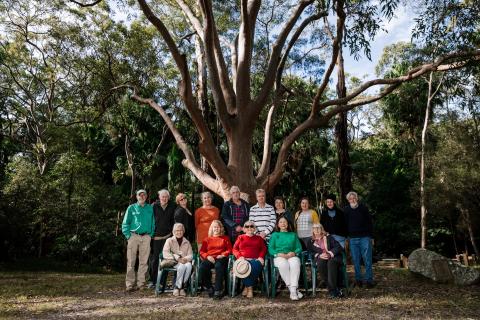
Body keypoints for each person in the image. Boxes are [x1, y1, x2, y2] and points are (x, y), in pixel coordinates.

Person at [121, 189, 155, 292]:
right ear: (137, 197)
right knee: (131, 261)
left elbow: (153, 222)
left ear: (146, 196)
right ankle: (130, 284)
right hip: (133, 236)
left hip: (146, 237)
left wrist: (151, 234)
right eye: (140, 195)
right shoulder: (131, 208)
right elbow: (125, 223)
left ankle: (141, 284)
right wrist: (128, 235)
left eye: (144, 195)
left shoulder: (150, 208)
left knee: (144, 261)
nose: (142, 197)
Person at [343, 191, 375, 288]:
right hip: (352, 239)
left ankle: (369, 280)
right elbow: (345, 224)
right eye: (350, 199)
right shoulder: (346, 210)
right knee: (356, 260)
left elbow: (370, 223)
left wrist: (372, 237)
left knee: (367, 259)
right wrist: (346, 238)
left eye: (354, 198)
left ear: (357, 198)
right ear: (348, 200)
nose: (352, 200)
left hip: (365, 237)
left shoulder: (363, 208)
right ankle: (358, 280)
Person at [268, 217, 303, 300]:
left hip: (291, 255)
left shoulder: (293, 235)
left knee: (295, 263)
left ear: (288, 224)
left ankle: (293, 289)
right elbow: (270, 249)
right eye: (281, 222)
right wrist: (278, 254)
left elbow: (299, 247)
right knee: (283, 264)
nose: (283, 223)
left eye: (285, 222)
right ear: (278, 225)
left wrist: (294, 253)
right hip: (279, 256)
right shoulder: (274, 235)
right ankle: (293, 290)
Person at [148, 189, 176, 289]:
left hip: (167, 237)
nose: (164, 198)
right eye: (162, 196)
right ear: (159, 197)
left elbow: (174, 220)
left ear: (168, 198)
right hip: (155, 237)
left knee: (166, 259)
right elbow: (149, 220)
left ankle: (162, 282)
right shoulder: (153, 206)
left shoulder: (172, 206)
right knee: (155, 259)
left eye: (166, 197)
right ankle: (152, 280)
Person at [307, 224, 344, 298]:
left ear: (322, 229)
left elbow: (338, 247)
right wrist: (319, 255)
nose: (316, 230)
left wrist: (329, 254)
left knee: (331, 263)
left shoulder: (329, 237)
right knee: (320, 263)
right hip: (320, 257)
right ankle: (334, 290)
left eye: (318, 228)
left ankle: (332, 290)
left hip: (333, 257)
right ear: (312, 230)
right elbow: (310, 251)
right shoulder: (310, 241)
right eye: (314, 228)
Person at [232, 221, 267, 298]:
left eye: (251, 226)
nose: (249, 228)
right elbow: (234, 249)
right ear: (244, 229)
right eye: (247, 226)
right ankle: (250, 288)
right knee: (244, 267)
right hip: (243, 259)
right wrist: (239, 256)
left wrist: (261, 257)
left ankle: (247, 287)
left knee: (255, 265)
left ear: (254, 228)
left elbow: (263, 249)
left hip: (255, 259)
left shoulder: (259, 238)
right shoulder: (240, 237)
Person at [198, 220, 232, 299]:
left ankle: (217, 290)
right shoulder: (207, 239)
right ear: (211, 229)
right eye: (214, 227)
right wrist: (207, 256)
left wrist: (223, 255)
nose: (216, 229)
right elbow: (202, 251)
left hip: (220, 257)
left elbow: (230, 249)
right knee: (202, 267)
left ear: (221, 228)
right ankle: (209, 287)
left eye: (218, 227)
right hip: (210, 257)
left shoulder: (225, 238)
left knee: (219, 266)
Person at [162, 223, 193, 296]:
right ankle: (178, 288)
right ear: (173, 232)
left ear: (183, 231)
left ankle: (180, 287)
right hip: (173, 262)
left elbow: (191, 255)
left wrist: (185, 259)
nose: (179, 232)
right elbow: (165, 253)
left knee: (189, 266)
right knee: (182, 266)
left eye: (181, 230)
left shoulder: (187, 242)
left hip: (184, 261)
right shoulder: (169, 240)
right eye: (177, 230)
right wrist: (177, 258)